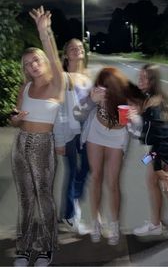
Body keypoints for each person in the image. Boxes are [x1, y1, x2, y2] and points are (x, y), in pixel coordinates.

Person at [10, 6, 64, 267]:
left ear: (44, 61)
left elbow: (55, 60)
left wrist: (45, 33)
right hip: (21, 144)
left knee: (43, 196)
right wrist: (15, 119)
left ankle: (45, 247)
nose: (33, 66)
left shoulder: (56, 83)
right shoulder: (25, 86)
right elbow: (16, 115)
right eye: (28, 64)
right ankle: (24, 247)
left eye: (36, 60)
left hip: (43, 145)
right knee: (25, 197)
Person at [127, 64, 168, 265]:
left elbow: (159, 137)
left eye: (145, 78)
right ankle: (156, 224)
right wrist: (134, 118)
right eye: (140, 77)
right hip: (157, 147)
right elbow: (147, 134)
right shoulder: (149, 100)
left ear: (153, 81)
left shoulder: (154, 104)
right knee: (150, 179)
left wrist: (160, 169)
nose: (140, 81)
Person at [53, 38, 94, 234]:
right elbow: (58, 110)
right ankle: (70, 215)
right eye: (72, 48)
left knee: (87, 168)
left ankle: (73, 203)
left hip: (89, 131)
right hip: (70, 131)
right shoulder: (64, 77)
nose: (77, 50)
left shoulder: (89, 77)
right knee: (72, 171)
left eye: (80, 47)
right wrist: (59, 140)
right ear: (66, 55)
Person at [86, 67, 130, 246]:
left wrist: (131, 118)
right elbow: (78, 112)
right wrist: (91, 100)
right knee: (95, 177)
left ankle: (114, 224)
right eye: (102, 83)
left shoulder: (125, 95)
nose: (105, 87)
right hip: (96, 133)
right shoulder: (95, 92)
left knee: (113, 183)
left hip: (117, 137)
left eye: (110, 83)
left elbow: (130, 124)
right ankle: (96, 221)